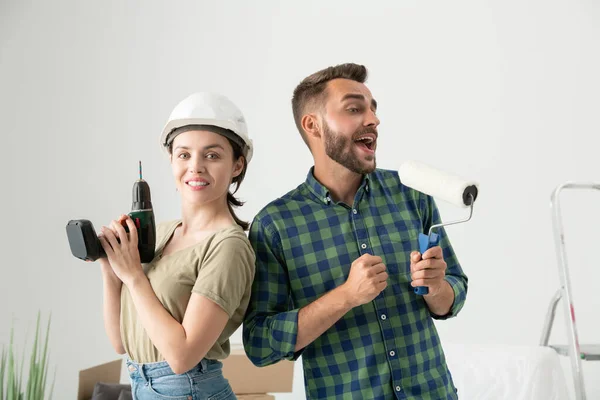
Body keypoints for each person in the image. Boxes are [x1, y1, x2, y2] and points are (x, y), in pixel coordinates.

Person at [243, 63, 468, 399]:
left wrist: (435, 286)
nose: (373, 119)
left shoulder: (411, 194)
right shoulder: (276, 225)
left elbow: (454, 294)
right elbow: (260, 344)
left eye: (373, 108)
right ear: (313, 125)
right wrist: (345, 297)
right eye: (354, 109)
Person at [98, 92, 255, 400]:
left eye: (212, 155)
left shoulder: (228, 246)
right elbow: (121, 343)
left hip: (188, 390)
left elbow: (182, 357)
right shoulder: (160, 234)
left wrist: (133, 276)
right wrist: (112, 269)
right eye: (184, 155)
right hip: (141, 383)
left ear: (237, 165)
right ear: (171, 160)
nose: (195, 167)